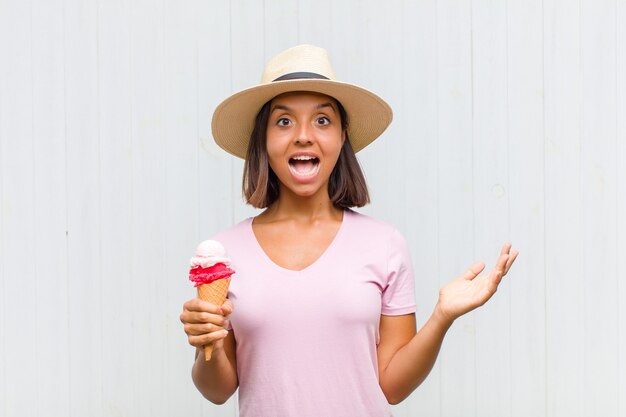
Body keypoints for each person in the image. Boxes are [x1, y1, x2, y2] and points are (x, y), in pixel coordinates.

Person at [180, 45, 518, 417]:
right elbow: (217, 391)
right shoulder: (225, 253)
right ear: (263, 140)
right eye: (284, 121)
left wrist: (442, 317)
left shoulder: (384, 244)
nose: (304, 136)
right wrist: (205, 344)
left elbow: (391, 386)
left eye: (322, 120)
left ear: (343, 137)